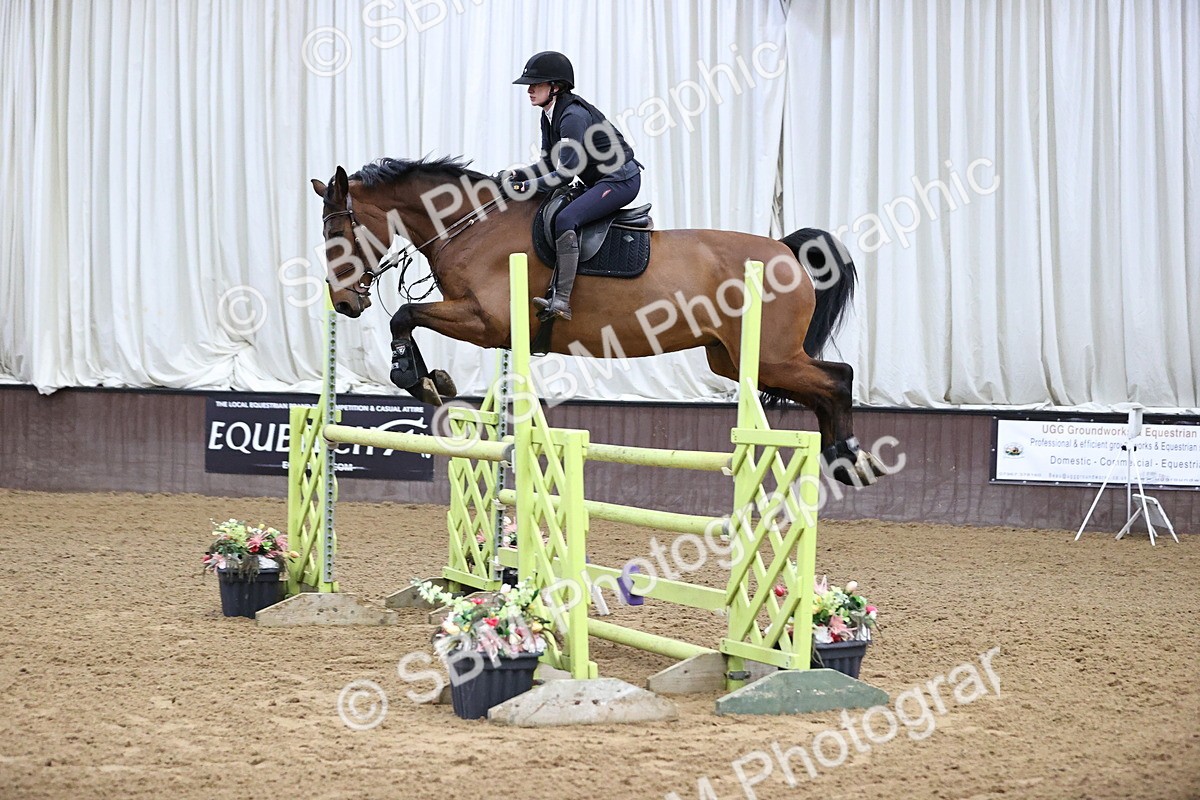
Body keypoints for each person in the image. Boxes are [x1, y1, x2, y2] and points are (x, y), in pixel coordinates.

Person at [506, 51, 643, 321]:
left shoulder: (572, 117)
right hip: (600, 180)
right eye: (529, 85)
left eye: (536, 84)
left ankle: (562, 300)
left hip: (620, 180)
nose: (530, 90)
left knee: (566, 217)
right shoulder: (548, 114)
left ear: (555, 87)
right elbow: (547, 165)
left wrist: (526, 187)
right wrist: (516, 175)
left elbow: (564, 175)